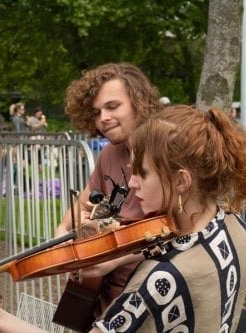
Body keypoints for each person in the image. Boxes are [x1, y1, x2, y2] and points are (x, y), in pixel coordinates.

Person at [0, 105, 246, 333]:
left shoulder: (158, 281)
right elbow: (180, 243)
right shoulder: (234, 226)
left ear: (182, 180)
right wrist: (115, 258)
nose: (132, 184)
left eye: (142, 173)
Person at [54, 62, 162, 320]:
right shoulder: (109, 154)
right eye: (97, 112)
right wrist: (63, 234)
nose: (103, 118)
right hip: (105, 296)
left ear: (139, 101)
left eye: (112, 107)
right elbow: (79, 207)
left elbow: (177, 228)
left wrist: (114, 260)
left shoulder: (164, 152)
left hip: (150, 294)